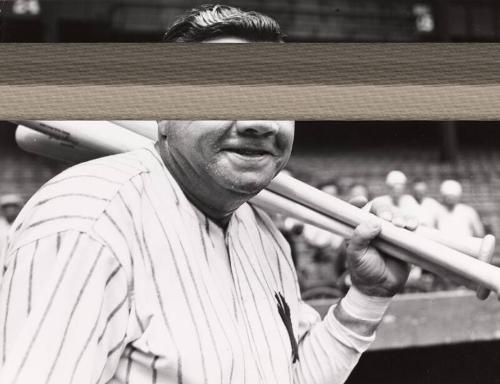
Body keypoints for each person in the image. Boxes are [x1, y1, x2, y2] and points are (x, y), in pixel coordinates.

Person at [0, 6, 414, 384]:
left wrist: (366, 296)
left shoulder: (264, 235)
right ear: (162, 113)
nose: (258, 122)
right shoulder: (87, 221)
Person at [0, 194, 23, 275]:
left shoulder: (23, 225)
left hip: (18, 265)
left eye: (13, 207)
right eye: (7, 207)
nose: (10, 210)